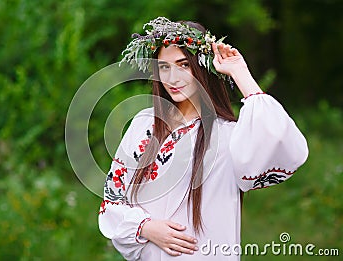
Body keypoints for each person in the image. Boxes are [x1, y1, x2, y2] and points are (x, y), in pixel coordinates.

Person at [98, 17, 308, 260]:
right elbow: (112, 199)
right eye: (164, 67)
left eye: (183, 64)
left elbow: (281, 139)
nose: (172, 78)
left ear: (202, 68)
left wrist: (240, 72)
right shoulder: (144, 124)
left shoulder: (228, 135)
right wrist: (146, 227)